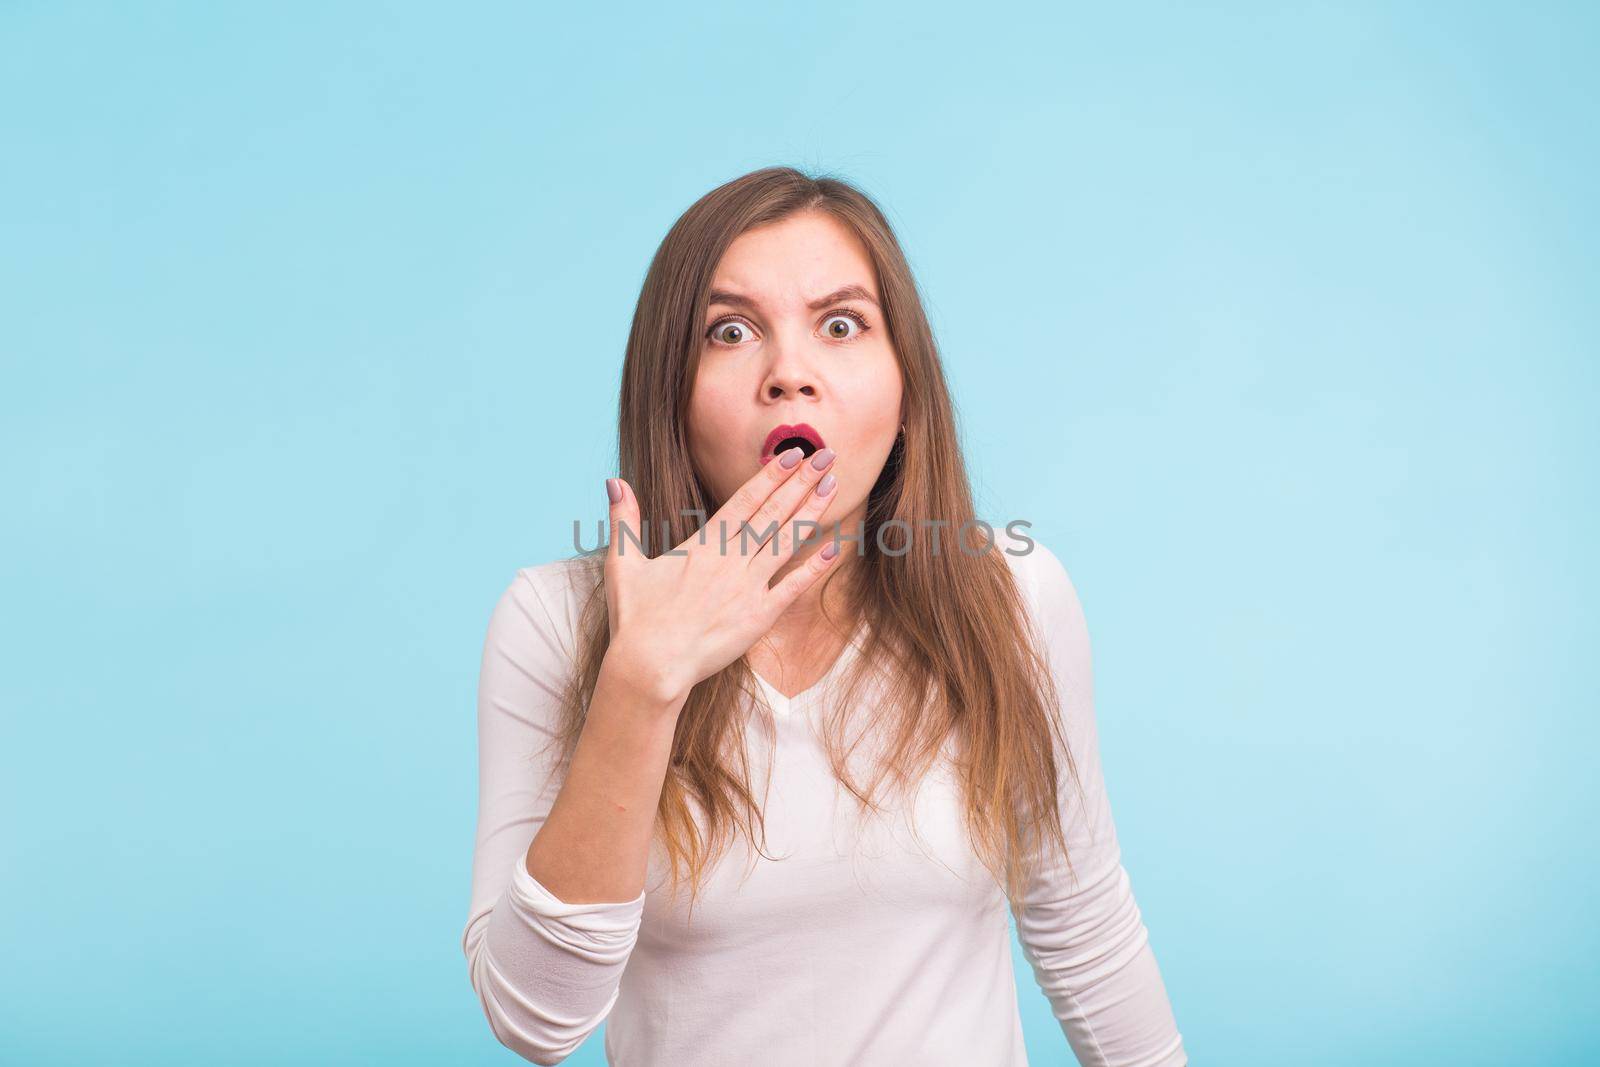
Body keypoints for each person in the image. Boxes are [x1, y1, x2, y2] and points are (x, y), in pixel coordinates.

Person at [460, 166, 1187, 1066]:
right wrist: (642, 682)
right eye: (730, 332)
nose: (790, 374)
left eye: (841, 325)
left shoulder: (1016, 597)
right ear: (671, 399)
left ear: (906, 389)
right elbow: (535, 1020)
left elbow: (1086, 930)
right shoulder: (554, 621)